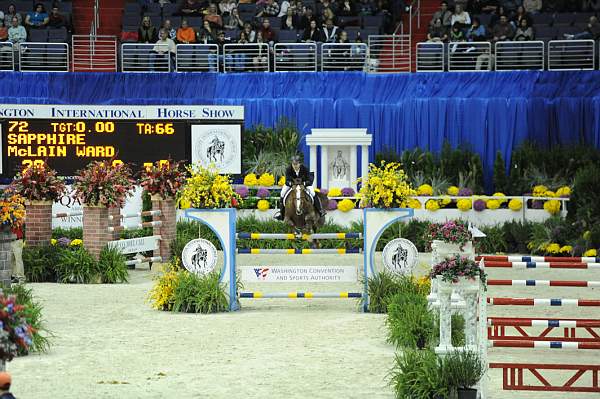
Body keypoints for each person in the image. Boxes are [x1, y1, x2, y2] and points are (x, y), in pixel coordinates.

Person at [274, 155, 324, 220]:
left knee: (313, 193)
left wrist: (304, 184)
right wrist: (291, 184)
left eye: (296, 164)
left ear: (299, 163)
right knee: (282, 193)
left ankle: (320, 210)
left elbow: (310, 179)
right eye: (293, 164)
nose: (295, 166)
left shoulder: (305, 168)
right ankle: (281, 213)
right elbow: (287, 180)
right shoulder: (289, 169)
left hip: (304, 184)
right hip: (292, 185)